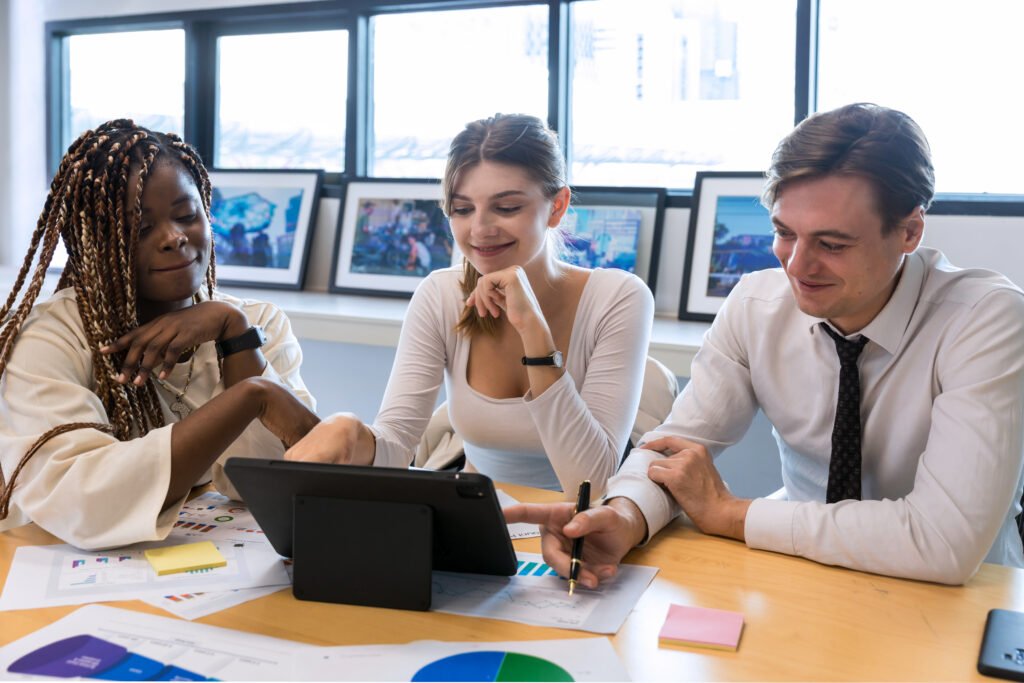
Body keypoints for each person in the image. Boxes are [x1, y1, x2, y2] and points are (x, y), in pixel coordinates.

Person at [506, 102, 1024, 586]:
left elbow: (943, 542)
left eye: (832, 244)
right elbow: (676, 445)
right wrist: (623, 516)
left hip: (959, 599)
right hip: (797, 573)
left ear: (910, 232)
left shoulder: (986, 320)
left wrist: (734, 514)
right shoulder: (757, 303)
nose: (796, 266)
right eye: (784, 233)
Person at [285, 113, 654, 495]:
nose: (479, 229)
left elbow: (589, 485)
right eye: (462, 210)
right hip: (481, 522)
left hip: (582, 534)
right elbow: (396, 446)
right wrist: (349, 432)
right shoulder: (441, 296)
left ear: (557, 206)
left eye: (507, 207)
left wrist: (534, 332)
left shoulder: (619, 297)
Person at [0, 120, 319, 550]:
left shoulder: (257, 321)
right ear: (93, 239)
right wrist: (251, 396)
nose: (173, 237)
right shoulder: (49, 337)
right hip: (45, 570)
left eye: (187, 215)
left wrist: (235, 336)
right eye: (141, 225)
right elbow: (85, 502)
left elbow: (293, 481)